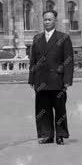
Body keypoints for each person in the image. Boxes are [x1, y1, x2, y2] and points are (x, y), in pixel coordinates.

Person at [28, 10, 74, 145]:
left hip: (57, 80)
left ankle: (60, 134)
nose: (47, 22)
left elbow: (69, 60)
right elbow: (33, 60)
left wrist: (67, 80)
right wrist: (32, 78)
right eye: (45, 19)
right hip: (41, 80)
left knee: (59, 109)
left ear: (55, 21)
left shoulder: (63, 38)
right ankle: (47, 134)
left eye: (50, 19)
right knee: (43, 109)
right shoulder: (37, 38)